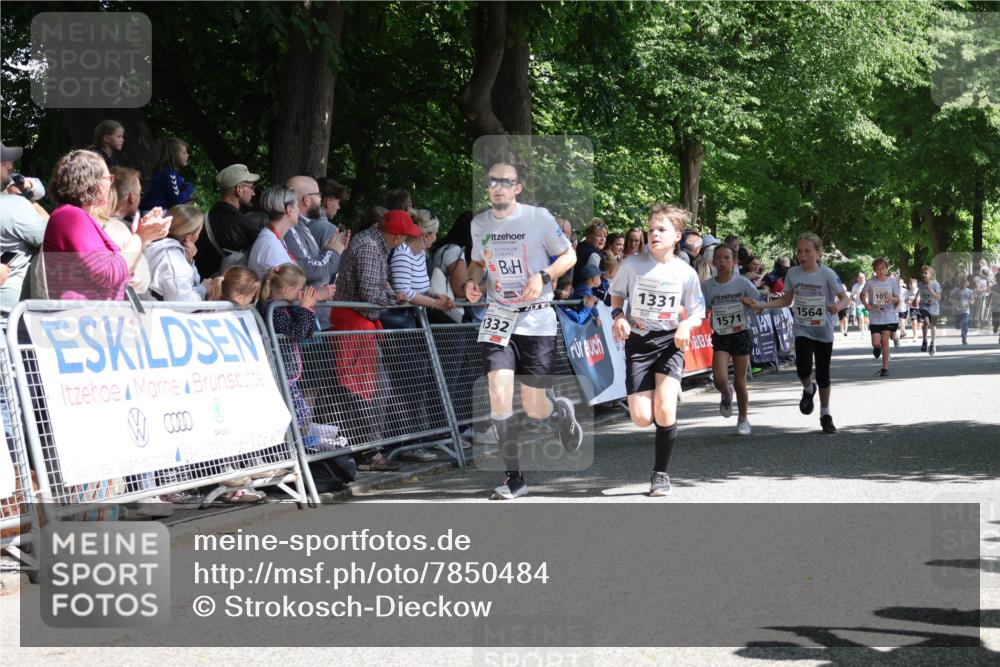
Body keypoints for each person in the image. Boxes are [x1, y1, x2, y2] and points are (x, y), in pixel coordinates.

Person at [465, 159, 581, 500]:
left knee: (534, 406)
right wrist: (473, 282)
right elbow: (477, 262)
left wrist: (543, 276)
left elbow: (569, 256)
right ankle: (514, 477)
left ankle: (559, 412)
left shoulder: (538, 219)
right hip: (499, 317)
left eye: (505, 181)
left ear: (517, 188)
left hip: (536, 319)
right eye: (492, 181)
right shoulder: (479, 224)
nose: (497, 187)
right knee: (498, 394)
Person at [609, 203, 705, 495]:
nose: (654, 234)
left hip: (670, 343)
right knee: (641, 418)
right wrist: (619, 317)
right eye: (651, 229)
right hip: (639, 343)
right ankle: (662, 418)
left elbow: (697, 311)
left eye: (662, 229)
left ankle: (660, 474)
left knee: (664, 410)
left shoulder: (685, 272)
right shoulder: (632, 265)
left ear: (677, 236)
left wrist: (686, 325)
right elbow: (616, 295)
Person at [329, 209, 417, 473]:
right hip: (355, 325)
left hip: (359, 324)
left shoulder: (373, 242)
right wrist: (393, 299)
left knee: (375, 387)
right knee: (368, 389)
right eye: (405, 237)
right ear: (397, 236)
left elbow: (380, 284)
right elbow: (369, 293)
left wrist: (392, 294)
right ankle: (368, 453)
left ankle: (369, 450)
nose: (404, 242)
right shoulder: (369, 246)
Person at [749, 233, 850, 434]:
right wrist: (763, 305)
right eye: (799, 251)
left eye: (807, 251)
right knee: (803, 368)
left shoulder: (827, 274)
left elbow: (845, 298)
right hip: (802, 328)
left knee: (823, 374)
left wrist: (837, 306)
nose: (801, 255)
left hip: (823, 330)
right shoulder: (793, 274)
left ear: (819, 253)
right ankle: (808, 388)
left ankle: (825, 414)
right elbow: (786, 300)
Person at [42, 150, 169, 301]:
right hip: (81, 314)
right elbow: (108, 275)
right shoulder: (70, 216)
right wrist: (139, 237)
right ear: (92, 182)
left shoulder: (79, 217)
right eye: (108, 178)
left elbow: (124, 275)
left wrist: (144, 238)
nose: (110, 183)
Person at [260, 263, 347, 454]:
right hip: (281, 374)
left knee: (301, 414)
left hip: (289, 374)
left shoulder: (286, 307)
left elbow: (308, 332)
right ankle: (297, 451)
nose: (302, 293)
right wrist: (305, 308)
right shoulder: (274, 309)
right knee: (298, 415)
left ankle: (304, 448)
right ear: (288, 290)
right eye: (300, 289)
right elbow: (297, 333)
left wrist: (307, 308)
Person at [702, 245, 759, 435]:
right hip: (721, 335)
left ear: (734, 262)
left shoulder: (742, 283)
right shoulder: (708, 286)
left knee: (740, 381)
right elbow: (702, 309)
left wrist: (750, 303)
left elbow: (759, 305)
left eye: (726, 258)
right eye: (718, 258)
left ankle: (743, 418)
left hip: (740, 333)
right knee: (719, 379)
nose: (722, 261)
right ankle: (726, 393)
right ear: (713, 262)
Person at [0, 142, 47, 326]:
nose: (11, 166)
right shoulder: (15, 207)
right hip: (10, 321)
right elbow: (54, 235)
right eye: (5, 162)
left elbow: (39, 188)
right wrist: (29, 201)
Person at [194, 164, 262, 278]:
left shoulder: (204, 219)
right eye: (252, 188)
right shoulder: (243, 224)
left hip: (204, 284)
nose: (254, 193)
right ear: (239, 189)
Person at [285, 175, 348, 298]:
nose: (320, 200)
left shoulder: (301, 225)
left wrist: (329, 250)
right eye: (318, 195)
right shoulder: (292, 228)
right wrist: (333, 252)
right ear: (306, 199)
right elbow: (310, 269)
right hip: (309, 302)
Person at [144, 204, 208, 301]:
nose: (199, 235)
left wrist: (188, 261)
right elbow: (184, 303)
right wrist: (204, 289)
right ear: (189, 238)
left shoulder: (150, 243)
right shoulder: (176, 263)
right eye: (199, 231)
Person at [860, 258, 901, 376]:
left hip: (888, 315)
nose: (881, 271)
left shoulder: (892, 282)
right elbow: (862, 295)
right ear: (874, 270)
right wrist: (866, 304)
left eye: (883, 268)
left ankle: (885, 368)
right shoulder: (870, 283)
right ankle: (876, 348)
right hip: (875, 316)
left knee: (885, 341)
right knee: (876, 342)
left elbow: (898, 299)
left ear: (886, 269)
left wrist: (892, 299)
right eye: (878, 269)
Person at [248, 185, 301, 277]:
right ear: (289, 209)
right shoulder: (270, 245)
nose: (299, 210)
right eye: (297, 206)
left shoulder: (271, 237)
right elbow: (285, 284)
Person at [140, 137, 195, 211]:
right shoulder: (168, 174)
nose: (187, 155)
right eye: (184, 153)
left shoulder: (169, 173)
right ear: (173, 155)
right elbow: (176, 201)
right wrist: (189, 189)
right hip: (152, 212)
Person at [307, 177, 348, 249]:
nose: (338, 207)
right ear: (328, 202)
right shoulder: (329, 229)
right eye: (338, 203)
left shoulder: (300, 218)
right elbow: (331, 255)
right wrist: (342, 248)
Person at [916, 265, 942, 355]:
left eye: (925, 273)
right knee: (926, 322)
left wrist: (931, 291)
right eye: (922, 273)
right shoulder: (920, 284)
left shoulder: (935, 284)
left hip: (934, 308)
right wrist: (916, 299)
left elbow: (939, 297)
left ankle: (932, 344)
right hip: (924, 306)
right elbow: (919, 292)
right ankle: (924, 340)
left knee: (933, 326)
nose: (923, 274)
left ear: (930, 274)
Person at [572, 219, 607, 284]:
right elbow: (593, 282)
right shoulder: (592, 254)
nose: (603, 239)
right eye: (598, 235)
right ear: (589, 237)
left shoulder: (581, 247)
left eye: (604, 236)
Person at [949, 275, 973, 345]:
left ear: (966, 282)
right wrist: (955, 302)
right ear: (959, 282)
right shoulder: (955, 291)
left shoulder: (970, 291)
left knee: (965, 323)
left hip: (965, 311)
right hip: (957, 311)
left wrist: (970, 302)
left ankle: (964, 338)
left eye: (964, 282)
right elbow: (950, 299)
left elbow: (972, 300)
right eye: (961, 282)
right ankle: (958, 325)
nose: (963, 284)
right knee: (957, 326)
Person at [851, 273, 868, 337]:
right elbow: (852, 295)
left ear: (865, 278)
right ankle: (862, 332)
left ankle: (866, 326)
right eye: (860, 278)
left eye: (863, 278)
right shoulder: (855, 286)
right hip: (859, 305)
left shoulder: (868, 284)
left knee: (866, 319)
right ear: (858, 279)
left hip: (866, 304)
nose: (861, 279)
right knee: (861, 318)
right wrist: (851, 301)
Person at [894, 277, 909, 344]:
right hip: (898, 308)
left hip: (904, 307)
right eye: (898, 282)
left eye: (900, 282)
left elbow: (907, 299)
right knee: (901, 320)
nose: (899, 283)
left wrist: (907, 302)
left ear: (903, 283)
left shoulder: (905, 290)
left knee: (903, 321)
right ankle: (902, 332)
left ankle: (903, 331)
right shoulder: (895, 290)